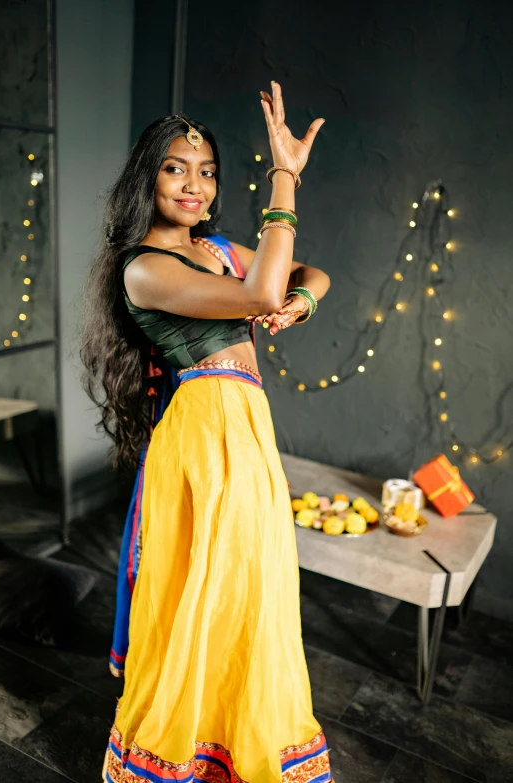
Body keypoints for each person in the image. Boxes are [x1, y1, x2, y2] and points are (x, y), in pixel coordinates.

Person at [81, 80, 332, 783]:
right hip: (202, 441)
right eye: (176, 167)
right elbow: (258, 293)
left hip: (247, 435)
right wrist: (285, 176)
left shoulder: (218, 248)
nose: (195, 183)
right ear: (147, 177)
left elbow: (305, 273)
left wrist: (300, 303)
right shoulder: (145, 269)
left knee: (252, 589)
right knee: (199, 593)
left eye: (208, 171)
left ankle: (234, 734)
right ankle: (176, 752)